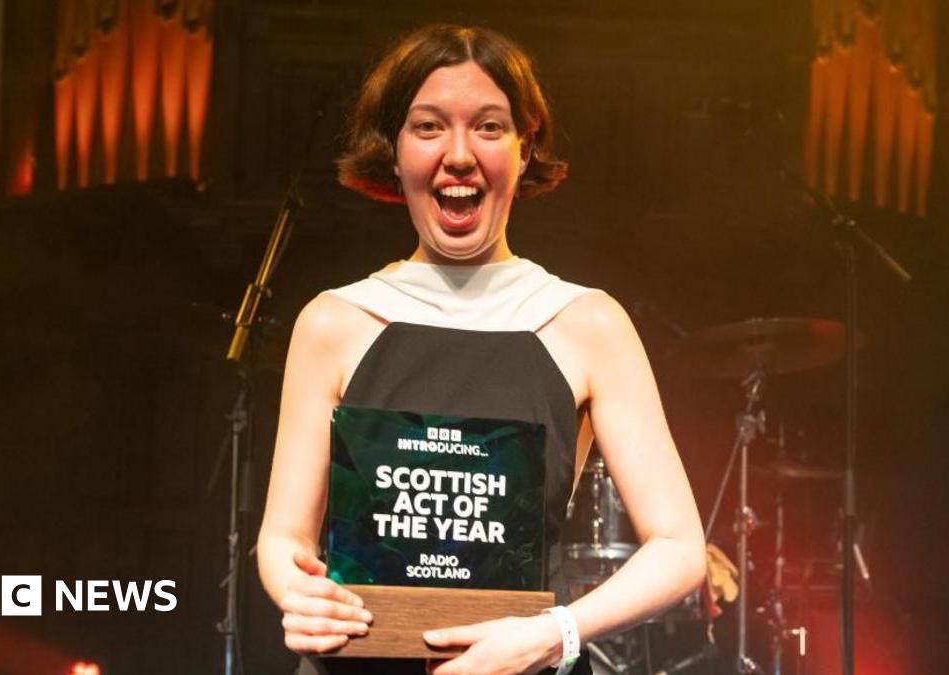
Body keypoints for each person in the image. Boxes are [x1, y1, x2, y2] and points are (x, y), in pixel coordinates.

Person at [256, 24, 706, 675]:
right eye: (429, 126)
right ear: (393, 150)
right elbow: (283, 536)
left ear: (526, 147)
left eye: (490, 127)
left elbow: (680, 547)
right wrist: (295, 588)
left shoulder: (587, 323)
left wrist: (557, 633)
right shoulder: (334, 321)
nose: (460, 154)